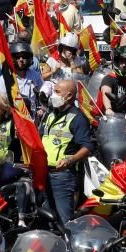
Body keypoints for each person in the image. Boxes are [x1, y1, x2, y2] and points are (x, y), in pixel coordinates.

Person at [40, 79, 92, 223]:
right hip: (45, 172)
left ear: (69, 96)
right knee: (48, 218)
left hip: (62, 176)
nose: (52, 96)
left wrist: (70, 160)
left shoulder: (78, 118)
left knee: (64, 220)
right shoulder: (50, 114)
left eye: (57, 92)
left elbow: (87, 147)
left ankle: (68, 244)